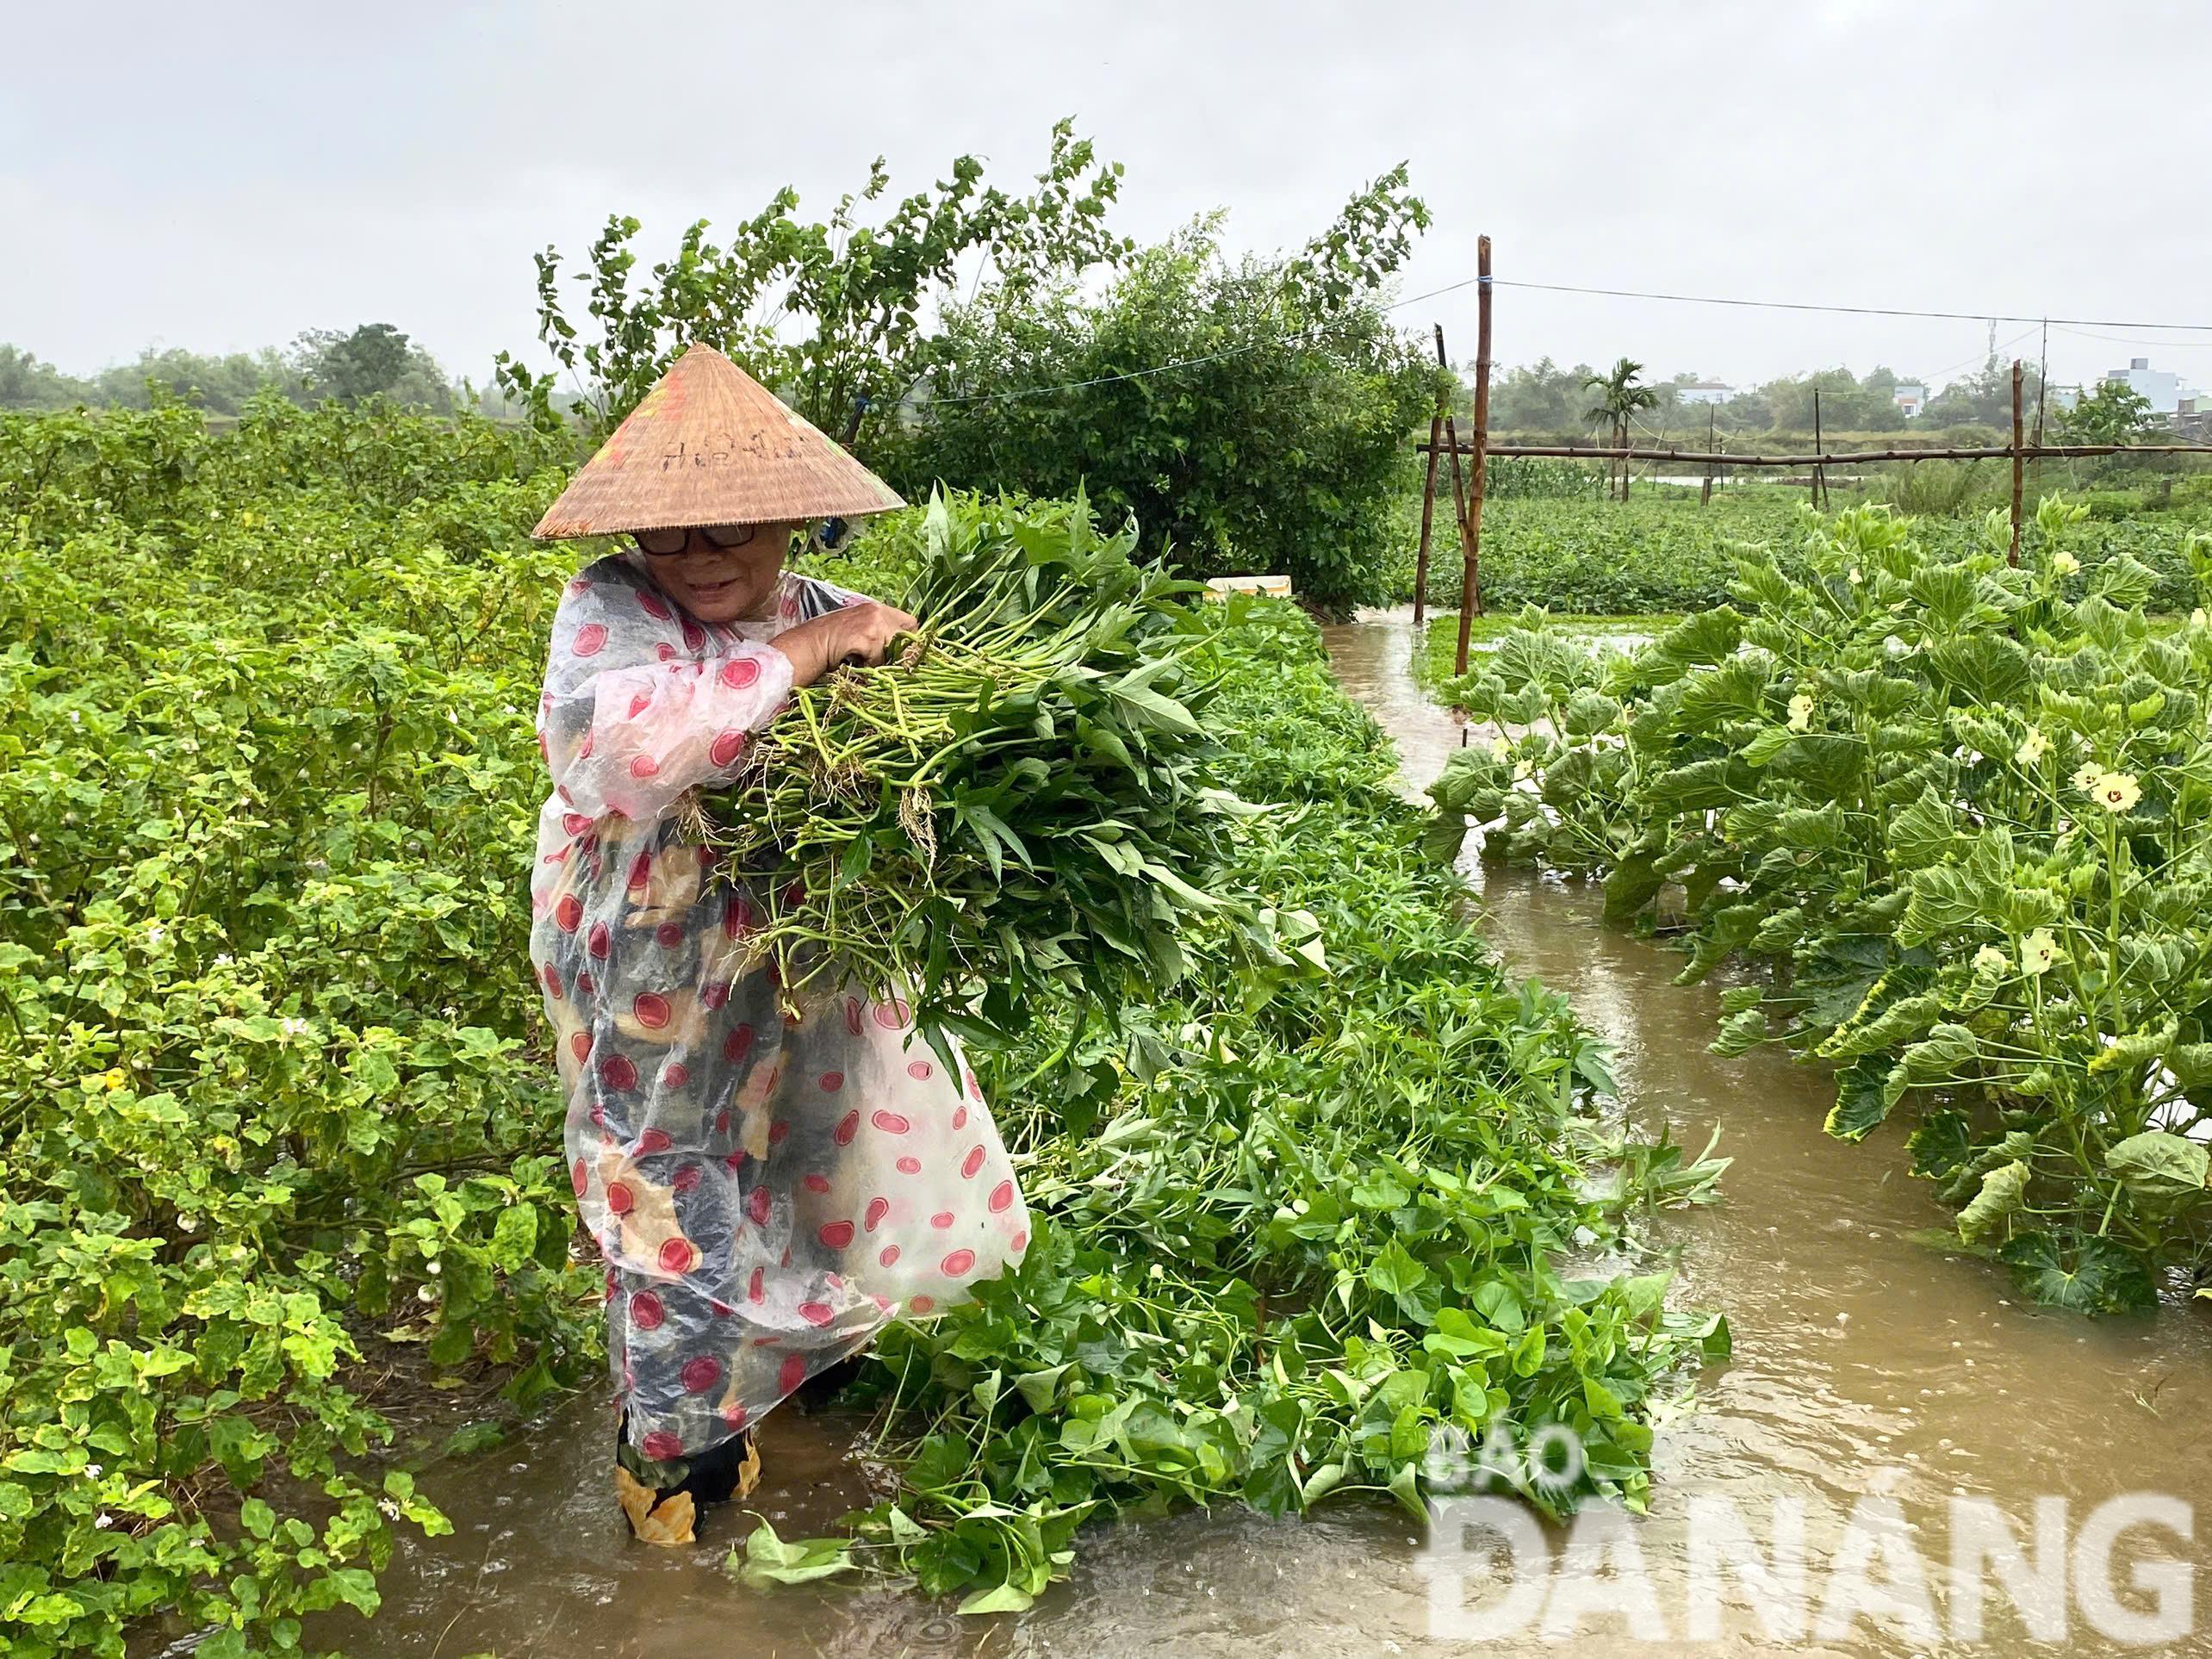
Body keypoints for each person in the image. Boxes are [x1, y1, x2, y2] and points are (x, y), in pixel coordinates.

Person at [526, 345, 1031, 1545]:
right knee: (672, 1183)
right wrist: (812, 653)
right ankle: (677, 1456)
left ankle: (801, 1378)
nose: (702, 559)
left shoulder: (824, 608)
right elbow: (622, 755)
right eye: (675, 535)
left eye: (734, 530)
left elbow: (916, 772)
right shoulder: (612, 607)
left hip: (796, 963)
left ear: (794, 514)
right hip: (652, 973)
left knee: (812, 1159)